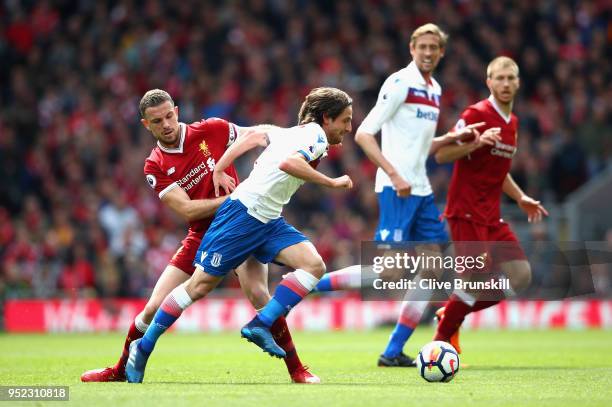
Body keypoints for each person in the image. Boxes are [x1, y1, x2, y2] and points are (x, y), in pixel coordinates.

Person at [81, 89, 319, 384]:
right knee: (154, 305)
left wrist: (289, 135)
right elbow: (187, 209)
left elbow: (257, 133)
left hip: (241, 224)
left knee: (259, 295)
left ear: (177, 111)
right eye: (157, 121)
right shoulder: (154, 165)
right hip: (202, 233)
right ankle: (119, 369)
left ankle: (297, 369)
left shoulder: (213, 130)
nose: (166, 124)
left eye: (169, 116)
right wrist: (236, 196)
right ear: (146, 125)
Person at [313, 23, 482, 367]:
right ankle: (308, 282)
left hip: (420, 191)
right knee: (389, 272)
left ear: (441, 52)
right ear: (412, 48)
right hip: (397, 190)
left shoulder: (434, 90)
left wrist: (453, 139)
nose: (428, 52)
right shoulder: (400, 82)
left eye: (434, 47)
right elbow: (364, 133)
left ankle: (392, 352)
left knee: (432, 268)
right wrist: (393, 173)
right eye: (422, 46)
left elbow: (420, 148)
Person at [433, 56, 548, 352]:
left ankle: (450, 313)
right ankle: (439, 344)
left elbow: (500, 170)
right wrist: (476, 143)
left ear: (519, 82)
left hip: (490, 215)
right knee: (474, 279)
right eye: (499, 78)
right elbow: (441, 155)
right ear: (489, 82)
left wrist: (520, 196)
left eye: (510, 78)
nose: (506, 83)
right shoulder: (476, 114)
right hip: (465, 210)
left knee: (521, 276)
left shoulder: (513, 123)